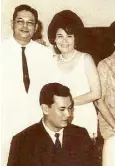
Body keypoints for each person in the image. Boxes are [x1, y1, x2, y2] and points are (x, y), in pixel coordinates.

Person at [0, 4, 56, 166]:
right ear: (12, 24)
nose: (25, 26)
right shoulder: (1, 51)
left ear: (36, 27)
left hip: (35, 122)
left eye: (30, 22)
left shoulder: (45, 54)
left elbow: (50, 89)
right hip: (5, 122)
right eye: (20, 21)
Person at [7, 83, 93, 166]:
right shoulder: (23, 141)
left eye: (70, 108)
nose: (68, 114)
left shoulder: (81, 135)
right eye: (62, 109)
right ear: (45, 109)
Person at [47, 10, 101, 138]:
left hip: (83, 116)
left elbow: (96, 93)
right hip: (59, 119)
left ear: (76, 38)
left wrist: (67, 104)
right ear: (54, 39)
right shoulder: (52, 61)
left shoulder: (85, 59)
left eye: (69, 36)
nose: (64, 41)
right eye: (60, 36)